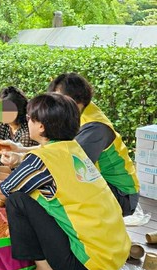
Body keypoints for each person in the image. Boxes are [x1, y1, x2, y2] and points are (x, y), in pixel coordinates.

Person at [0, 93, 130, 270]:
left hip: (86, 269)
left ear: (41, 126)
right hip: (113, 257)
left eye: (30, 119)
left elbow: (1, 191)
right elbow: (47, 154)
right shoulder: (75, 149)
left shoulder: (41, 160)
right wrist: (20, 151)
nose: (28, 121)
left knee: (17, 199)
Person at [47, 73, 139, 216]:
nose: (54, 106)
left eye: (58, 101)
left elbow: (69, 163)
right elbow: (59, 150)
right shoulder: (78, 112)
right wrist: (22, 151)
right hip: (100, 183)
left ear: (75, 100)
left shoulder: (95, 127)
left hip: (121, 194)